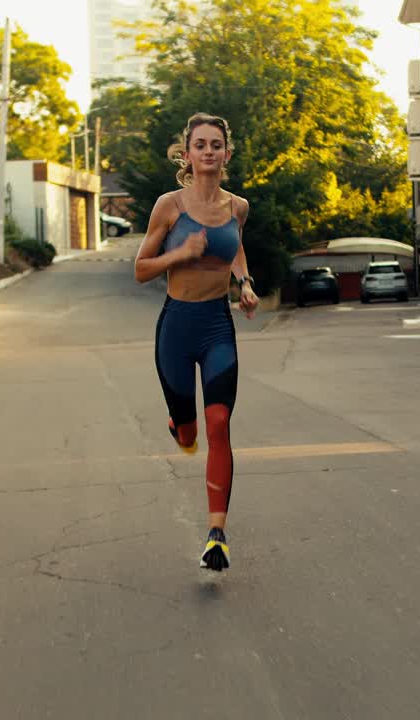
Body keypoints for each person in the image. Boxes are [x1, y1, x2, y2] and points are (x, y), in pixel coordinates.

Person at [134, 112, 259, 572]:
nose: (209, 151)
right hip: (176, 327)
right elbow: (140, 269)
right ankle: (177, 425)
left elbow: (236, 246)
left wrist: (244, 283)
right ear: (187, 154)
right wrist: (180, 254)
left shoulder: (237, 207)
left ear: (227, 153)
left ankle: (217, 535)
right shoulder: (170, 206)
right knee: (189, 433)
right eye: (200, 144)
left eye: (216, 144)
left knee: (220, 423)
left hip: (216, 326)